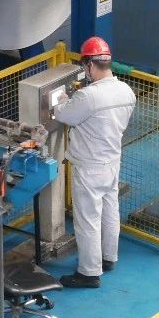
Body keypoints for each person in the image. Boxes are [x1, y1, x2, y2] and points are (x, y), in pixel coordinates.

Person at [51, 36, 136, 288]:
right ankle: (108, 258)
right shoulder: (126, 91)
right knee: (110, 211)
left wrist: (63, 100)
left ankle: (89, 273)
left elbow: (63, 114)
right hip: (112, 161)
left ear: (89, 65)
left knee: (87, 219)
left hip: (89, 167)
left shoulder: (89, 96)